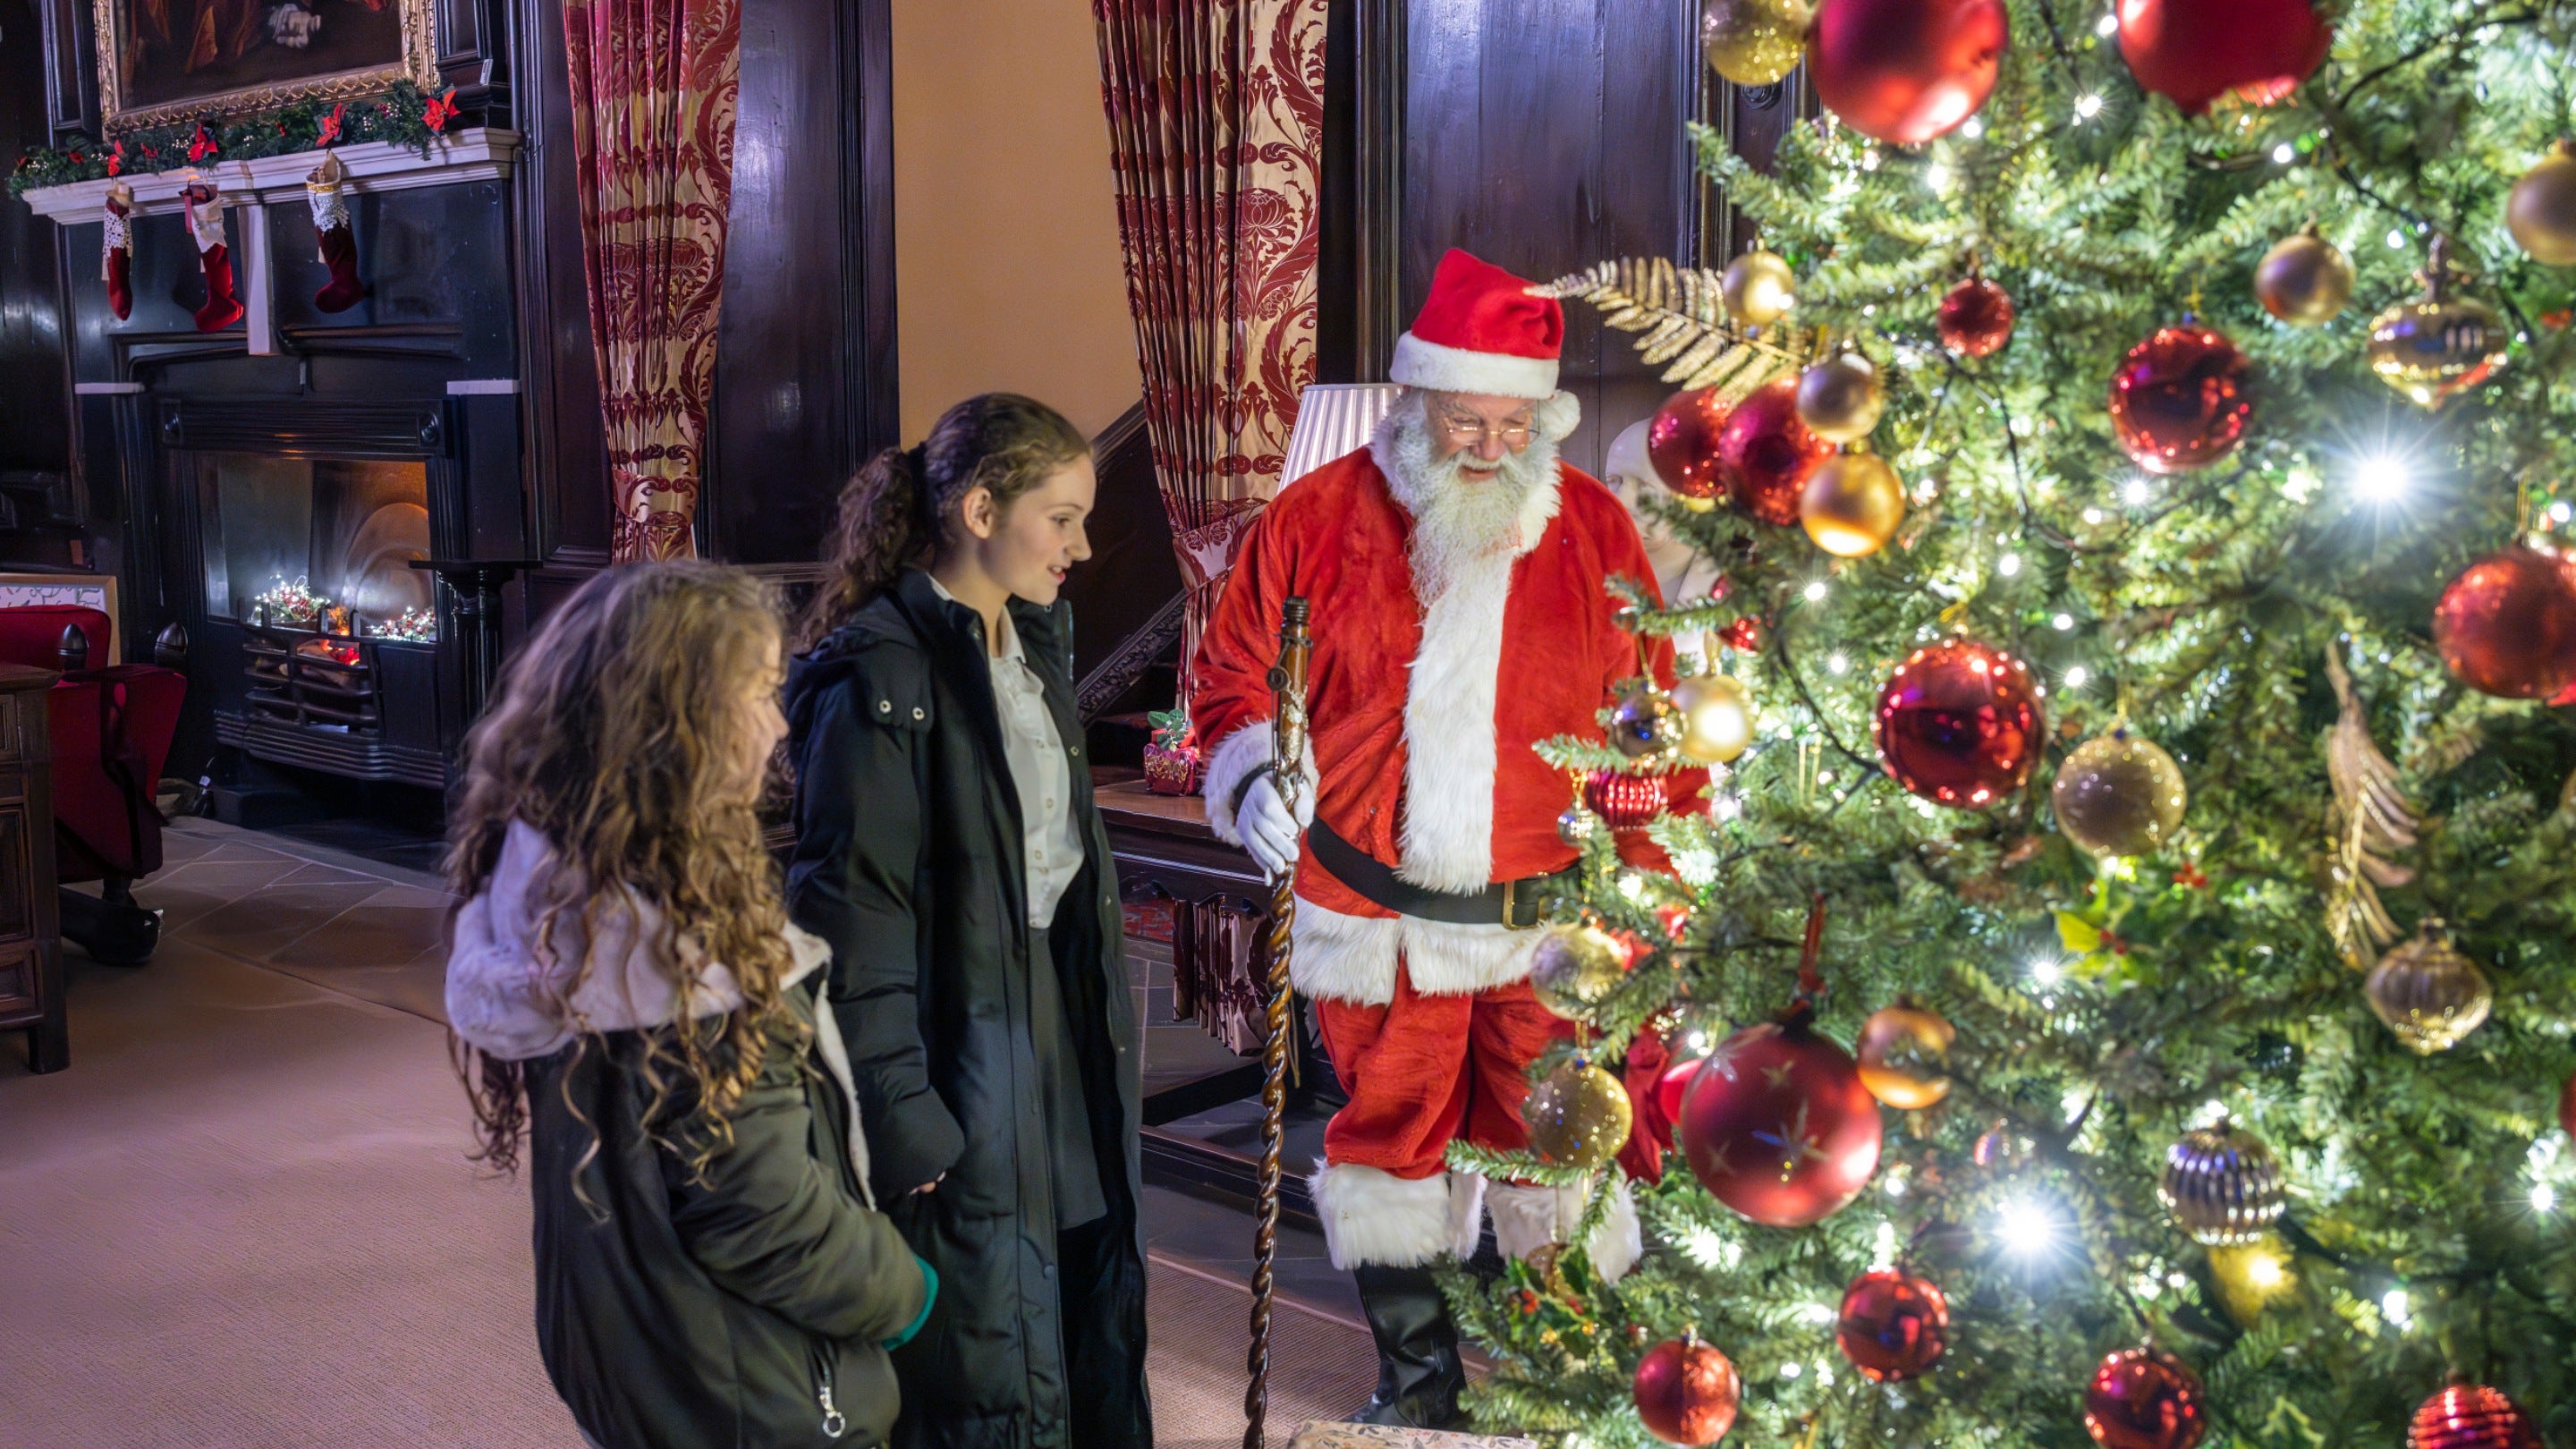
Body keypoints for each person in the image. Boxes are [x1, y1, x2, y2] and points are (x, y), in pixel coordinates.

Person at [1191, 249, 1700, 1428]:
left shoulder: (1597, 533)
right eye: (1460, 418)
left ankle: (1569, 1378)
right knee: (1386, 1151)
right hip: (1372, 919)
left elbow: (1649, 729)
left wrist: (1649, 882)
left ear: (1541, 420)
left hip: (1550, 928)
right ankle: (1417, 1390)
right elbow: (1233, 682)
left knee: (1560, 1153)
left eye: (1505, 423)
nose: (1480, 444)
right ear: (1416, 402)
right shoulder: (1313, 521)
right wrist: (1253, 771)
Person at [444, 562, 933, 1449]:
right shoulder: (684, 970)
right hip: (756, 1386)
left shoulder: (554, 897)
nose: (780, 724)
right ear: (672, 728)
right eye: (758, 694)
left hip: (635, 1351)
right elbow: (765, 1215)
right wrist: (903, 1292)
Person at [786, 394, 1151, 1449]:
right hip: (957, 1036)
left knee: (1077, 1288)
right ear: (981, 510)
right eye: (1063, 518)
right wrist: (897, 1109)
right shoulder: (882, 675)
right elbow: (852, 913)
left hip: (1056, 1022)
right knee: (980, 1334)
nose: (1083, 547)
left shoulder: (1033, 650)